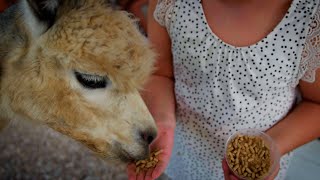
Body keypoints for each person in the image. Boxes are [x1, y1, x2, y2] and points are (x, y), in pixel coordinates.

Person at [128, 0, 320, 179]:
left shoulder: (309, 18)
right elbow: (160, 73)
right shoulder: (170, 3)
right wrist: (162, 122)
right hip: (184, 147)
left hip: (259, 157)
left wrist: (271, 147)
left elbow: (316, 104)